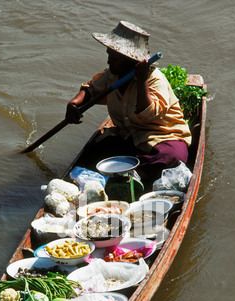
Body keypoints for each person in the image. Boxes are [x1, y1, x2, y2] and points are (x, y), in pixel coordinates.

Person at [65, 21, 191, 186]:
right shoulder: (112, 75)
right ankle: (131, 174)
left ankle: (132, 177)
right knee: (91, 153)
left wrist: (141, 80)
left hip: (160, 137)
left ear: (130, 60)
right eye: (109, 55)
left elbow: (148, 114)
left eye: (114, 58)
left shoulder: (155, 79)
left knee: (173, 158)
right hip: (128, 136)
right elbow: (91, 89)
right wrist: (74, 104)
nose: (109, 61)